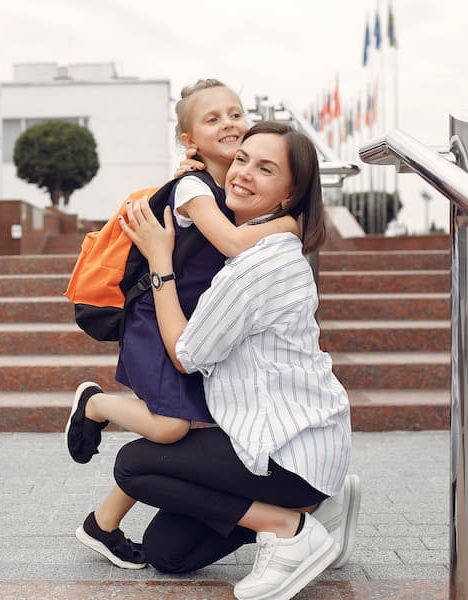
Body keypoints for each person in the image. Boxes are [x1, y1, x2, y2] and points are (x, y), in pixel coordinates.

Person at [114, 121, 355, 599]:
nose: (243, 173)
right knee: (168, 553)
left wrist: (160, 262)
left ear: (289, 195)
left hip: (285, 451)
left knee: (134, 466)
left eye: (266, 169)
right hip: (304, 444)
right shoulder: (269, 247)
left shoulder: (254, 265)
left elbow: (185, 355)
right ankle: (317, 509)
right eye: (242, 159)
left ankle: (290, 528)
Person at [65, 80, 301, 569]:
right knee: (173, 426)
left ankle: (101, 524)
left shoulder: (221, 187)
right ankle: (95, 404)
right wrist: (291, 225)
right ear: (189, 139)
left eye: (235, 113)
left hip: (190, 327)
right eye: (212, 119)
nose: (229, 124)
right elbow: (236, 244)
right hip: (156, 322)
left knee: (192, 431)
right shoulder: (194, 189)